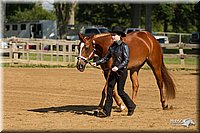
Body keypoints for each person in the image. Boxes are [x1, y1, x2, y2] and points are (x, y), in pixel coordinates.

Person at [92, 26, 136, 117]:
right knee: (109, 90)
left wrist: (118, 67)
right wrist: (97, 63)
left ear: (119, 36)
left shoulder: (124, 46)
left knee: (121, 91)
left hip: (122, 71)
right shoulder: (112, 47)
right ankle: (106, 111)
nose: (112, 37)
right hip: (113, 71)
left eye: (114, 35)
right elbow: (106, 58)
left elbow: (126, 60)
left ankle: (131, 106)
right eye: (112, 35)